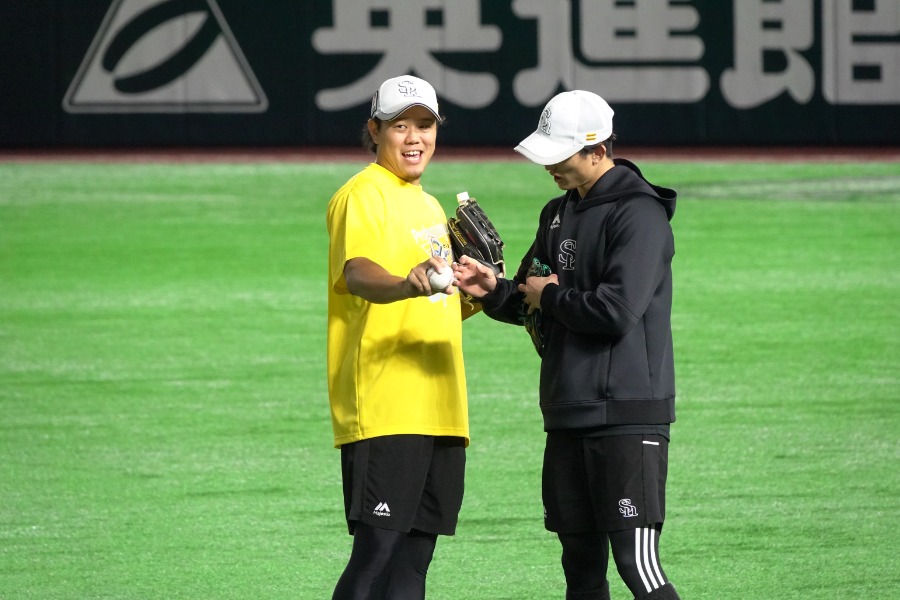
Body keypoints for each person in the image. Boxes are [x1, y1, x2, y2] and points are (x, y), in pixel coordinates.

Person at [453, 90, 682, 600]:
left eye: (560, 155)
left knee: (637, 565)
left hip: (626, 416)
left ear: (598, 149)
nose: (549, 166)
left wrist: (551, 295)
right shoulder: (556, 213)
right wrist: (492, 289)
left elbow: (617, 312)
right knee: (580, 570)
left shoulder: (640, 215)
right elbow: (528, 300)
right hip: (567, 413)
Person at [325, 74, 478, 600]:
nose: (415, 138)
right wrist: (405, 284)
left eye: (425, 126)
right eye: (400, 126)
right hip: (386, 403)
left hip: (441, 405)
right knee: (375, 555)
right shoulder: (362, 194)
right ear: (375, 130)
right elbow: (358, 272)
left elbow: (433, 301)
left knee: (414, 564)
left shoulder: (430, 206)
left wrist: (479, 294)